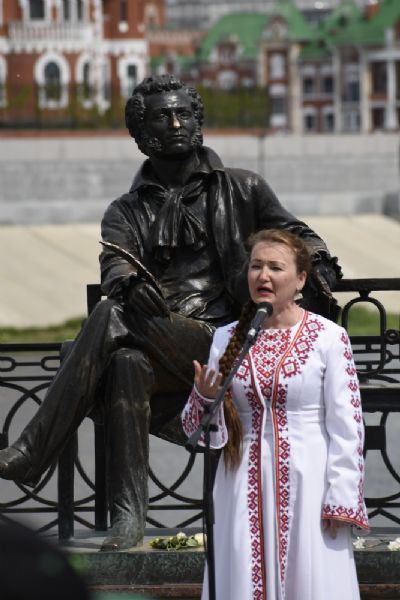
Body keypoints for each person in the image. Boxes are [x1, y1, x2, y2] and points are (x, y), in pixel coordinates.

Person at [0, 75, 341, 552]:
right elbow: (115, 261)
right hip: (162, 345)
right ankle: (128, 519)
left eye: (185, 114)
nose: (178, 124)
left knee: (110, 316)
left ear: (198, 122)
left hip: (228, 343)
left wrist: (318, 260)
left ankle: (33, 452)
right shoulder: (124, 211)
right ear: (142, 134)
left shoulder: (242, 187)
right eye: (163, 117)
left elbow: (296, 234)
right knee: (126, 364)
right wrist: (129, 282)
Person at [182, 229, 369, 600]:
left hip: (310, 482)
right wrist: (205, 398)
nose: (263, 276)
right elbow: (199, 431)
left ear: (300, 280)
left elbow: (347, 426)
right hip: (240, 482)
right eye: (256, 266)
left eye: (275, 267)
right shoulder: (226, 337)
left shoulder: (328, 337)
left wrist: (341, 496)